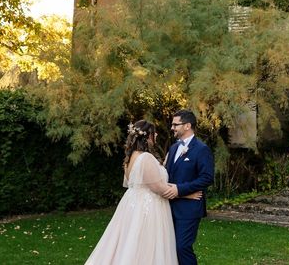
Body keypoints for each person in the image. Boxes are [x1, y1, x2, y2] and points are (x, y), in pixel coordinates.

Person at [85, 120, 202, 265]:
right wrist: (187, 194)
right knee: (147, 244)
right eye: (154, 133)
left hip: (132, 205)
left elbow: (137, 182)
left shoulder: (129, 157)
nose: (156, 135)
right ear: (147, 137)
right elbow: (160, 188)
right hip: (149, 208)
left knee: (131, 242)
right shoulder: (145, 158)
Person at [164, 109, 215, 265]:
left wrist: (180, 190)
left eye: (175, 124)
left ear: (187, 126)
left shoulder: (201, 149)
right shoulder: (173, 148)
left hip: (189, 209)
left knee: (182, 247)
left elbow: (207, 178)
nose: (172, 127)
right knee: (169, 249)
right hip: (168, 207)